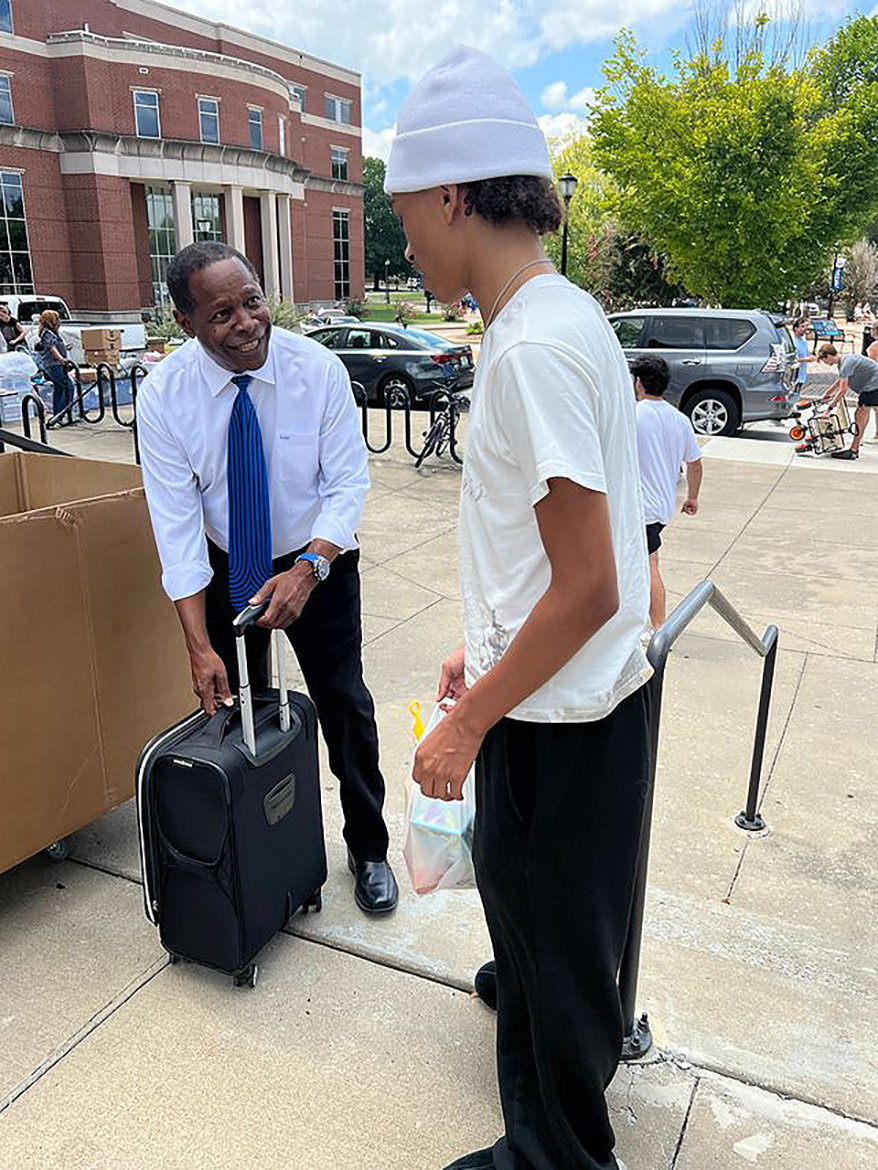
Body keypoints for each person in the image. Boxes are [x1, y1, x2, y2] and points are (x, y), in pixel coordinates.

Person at [389, 46, 649, 1170]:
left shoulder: (531, 347)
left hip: (554, 722)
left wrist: (467, 718)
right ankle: (550, 1033)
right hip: (569, 697)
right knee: (550, 934)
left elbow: (588, 583)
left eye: (406, 214)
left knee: (548, 927)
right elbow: (563, 559)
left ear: (453, 195)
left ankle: (552, 1155)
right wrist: (481, 644)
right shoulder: (557, 316)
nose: (404, 239)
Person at [136, 241, 398, 915]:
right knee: (235, 713)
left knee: (344, 704)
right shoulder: (166, 396)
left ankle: (368, 846)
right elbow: (177, 528)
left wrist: (310, 568)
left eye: (252, 301)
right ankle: (254, 848)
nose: (246, 323)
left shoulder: (317, 370)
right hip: (230, 564)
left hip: (319, 555)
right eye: (221, 313)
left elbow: (346, 485)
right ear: (185, 320)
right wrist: (198, 645)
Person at [632, 355, 703, 629]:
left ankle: (659, 629)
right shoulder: (680, 419)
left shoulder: (633, 416)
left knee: (648, 566)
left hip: (639, 509)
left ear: (638, 383)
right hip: (662, 507)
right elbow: (694, 464)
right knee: (646, 561)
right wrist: (692, 497)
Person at [815, 343, 878, 460]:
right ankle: (855, 448)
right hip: (872, 385)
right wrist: (827, 394)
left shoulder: (845, 364)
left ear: (828, 356)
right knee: (861, 413)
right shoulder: (844, 360)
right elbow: (840, 380)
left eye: (824, 360)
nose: (825, 364)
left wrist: (829, 409)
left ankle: (853, 450)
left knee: (861, 414)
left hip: (873, 385)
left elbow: (842, 390)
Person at [38, 310, 72, 424]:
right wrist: (61, 359)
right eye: (57, 319)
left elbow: (54, 346)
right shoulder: (47, 333)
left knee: (59, 388)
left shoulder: (52, 333)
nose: (59, 322)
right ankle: (63, 412)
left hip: (55, 365)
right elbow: (52, 347)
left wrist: (65, 348)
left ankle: (57, 415)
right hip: (55, 365)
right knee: (69, 387)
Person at [791, 316, 817, 395]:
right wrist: (806, 359)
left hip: (802, 375)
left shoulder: (803, 341)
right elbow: (791, 359)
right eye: (802, 326)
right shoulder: (793, 342)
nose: (805, 329)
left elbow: (807, 354)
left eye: (806, 326)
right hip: (795, 376)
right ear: (795, 328)